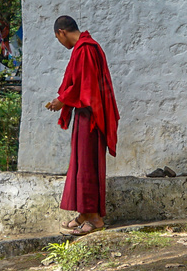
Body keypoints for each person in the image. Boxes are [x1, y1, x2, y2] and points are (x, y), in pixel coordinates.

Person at [45, 16, 120, 236]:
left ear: (61, 32)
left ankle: (95, 219)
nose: (61, 43)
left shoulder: (86, 48)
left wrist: (63, 99)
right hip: (85, 114)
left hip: (92, 116)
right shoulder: (83, 47)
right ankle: (85, 214)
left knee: (89, 165)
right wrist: (65, 99)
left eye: (58, 38)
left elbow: (84, 85)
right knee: (81, 164)